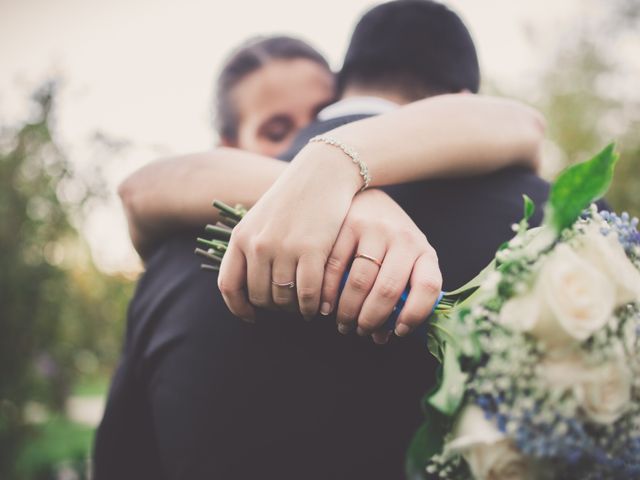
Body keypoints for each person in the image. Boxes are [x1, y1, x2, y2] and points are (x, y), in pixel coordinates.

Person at [94, 4, 546, 480]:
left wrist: (340, 168)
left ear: (343, 88)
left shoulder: (174, 257)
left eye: (318, 115)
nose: (311, 136)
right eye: (277, 128)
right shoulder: (567, 229)